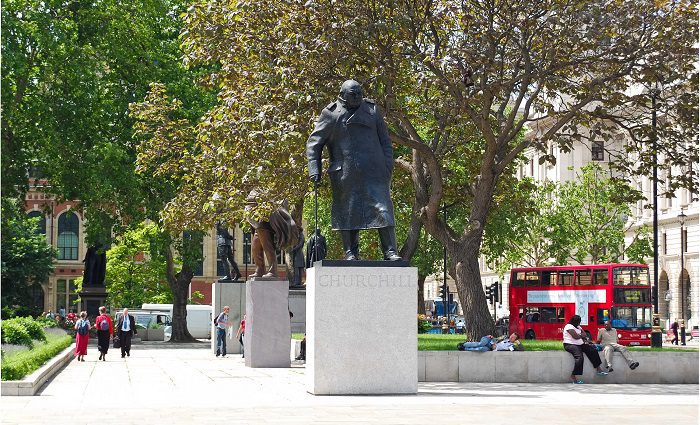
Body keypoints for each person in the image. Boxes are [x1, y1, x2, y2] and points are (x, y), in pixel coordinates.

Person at [306, 79, 402, 261]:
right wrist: (314, 168)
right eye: (353, 94)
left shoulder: (372, 111)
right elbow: (314, 143)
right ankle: (350, 252)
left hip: (374, 172)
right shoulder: (331, 114)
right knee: (348, 212)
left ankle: (390, 251)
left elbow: (385, 142)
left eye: (360, 93)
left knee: (383, 209)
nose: (358, 97)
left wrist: (387, 166)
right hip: (345, 174)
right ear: (342, 95)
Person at [563, 314, 608, 384]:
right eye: (578, 322)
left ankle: (599, 370)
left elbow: (585, 335)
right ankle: (573, 376)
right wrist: (581, 335)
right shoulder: (568, 326)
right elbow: (575, 336)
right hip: (570, 345)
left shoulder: (578, 327)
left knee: (592, 350)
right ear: (574, 321)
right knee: (579, 357)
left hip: (580, 344)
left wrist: (581, 336)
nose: (579, 323)